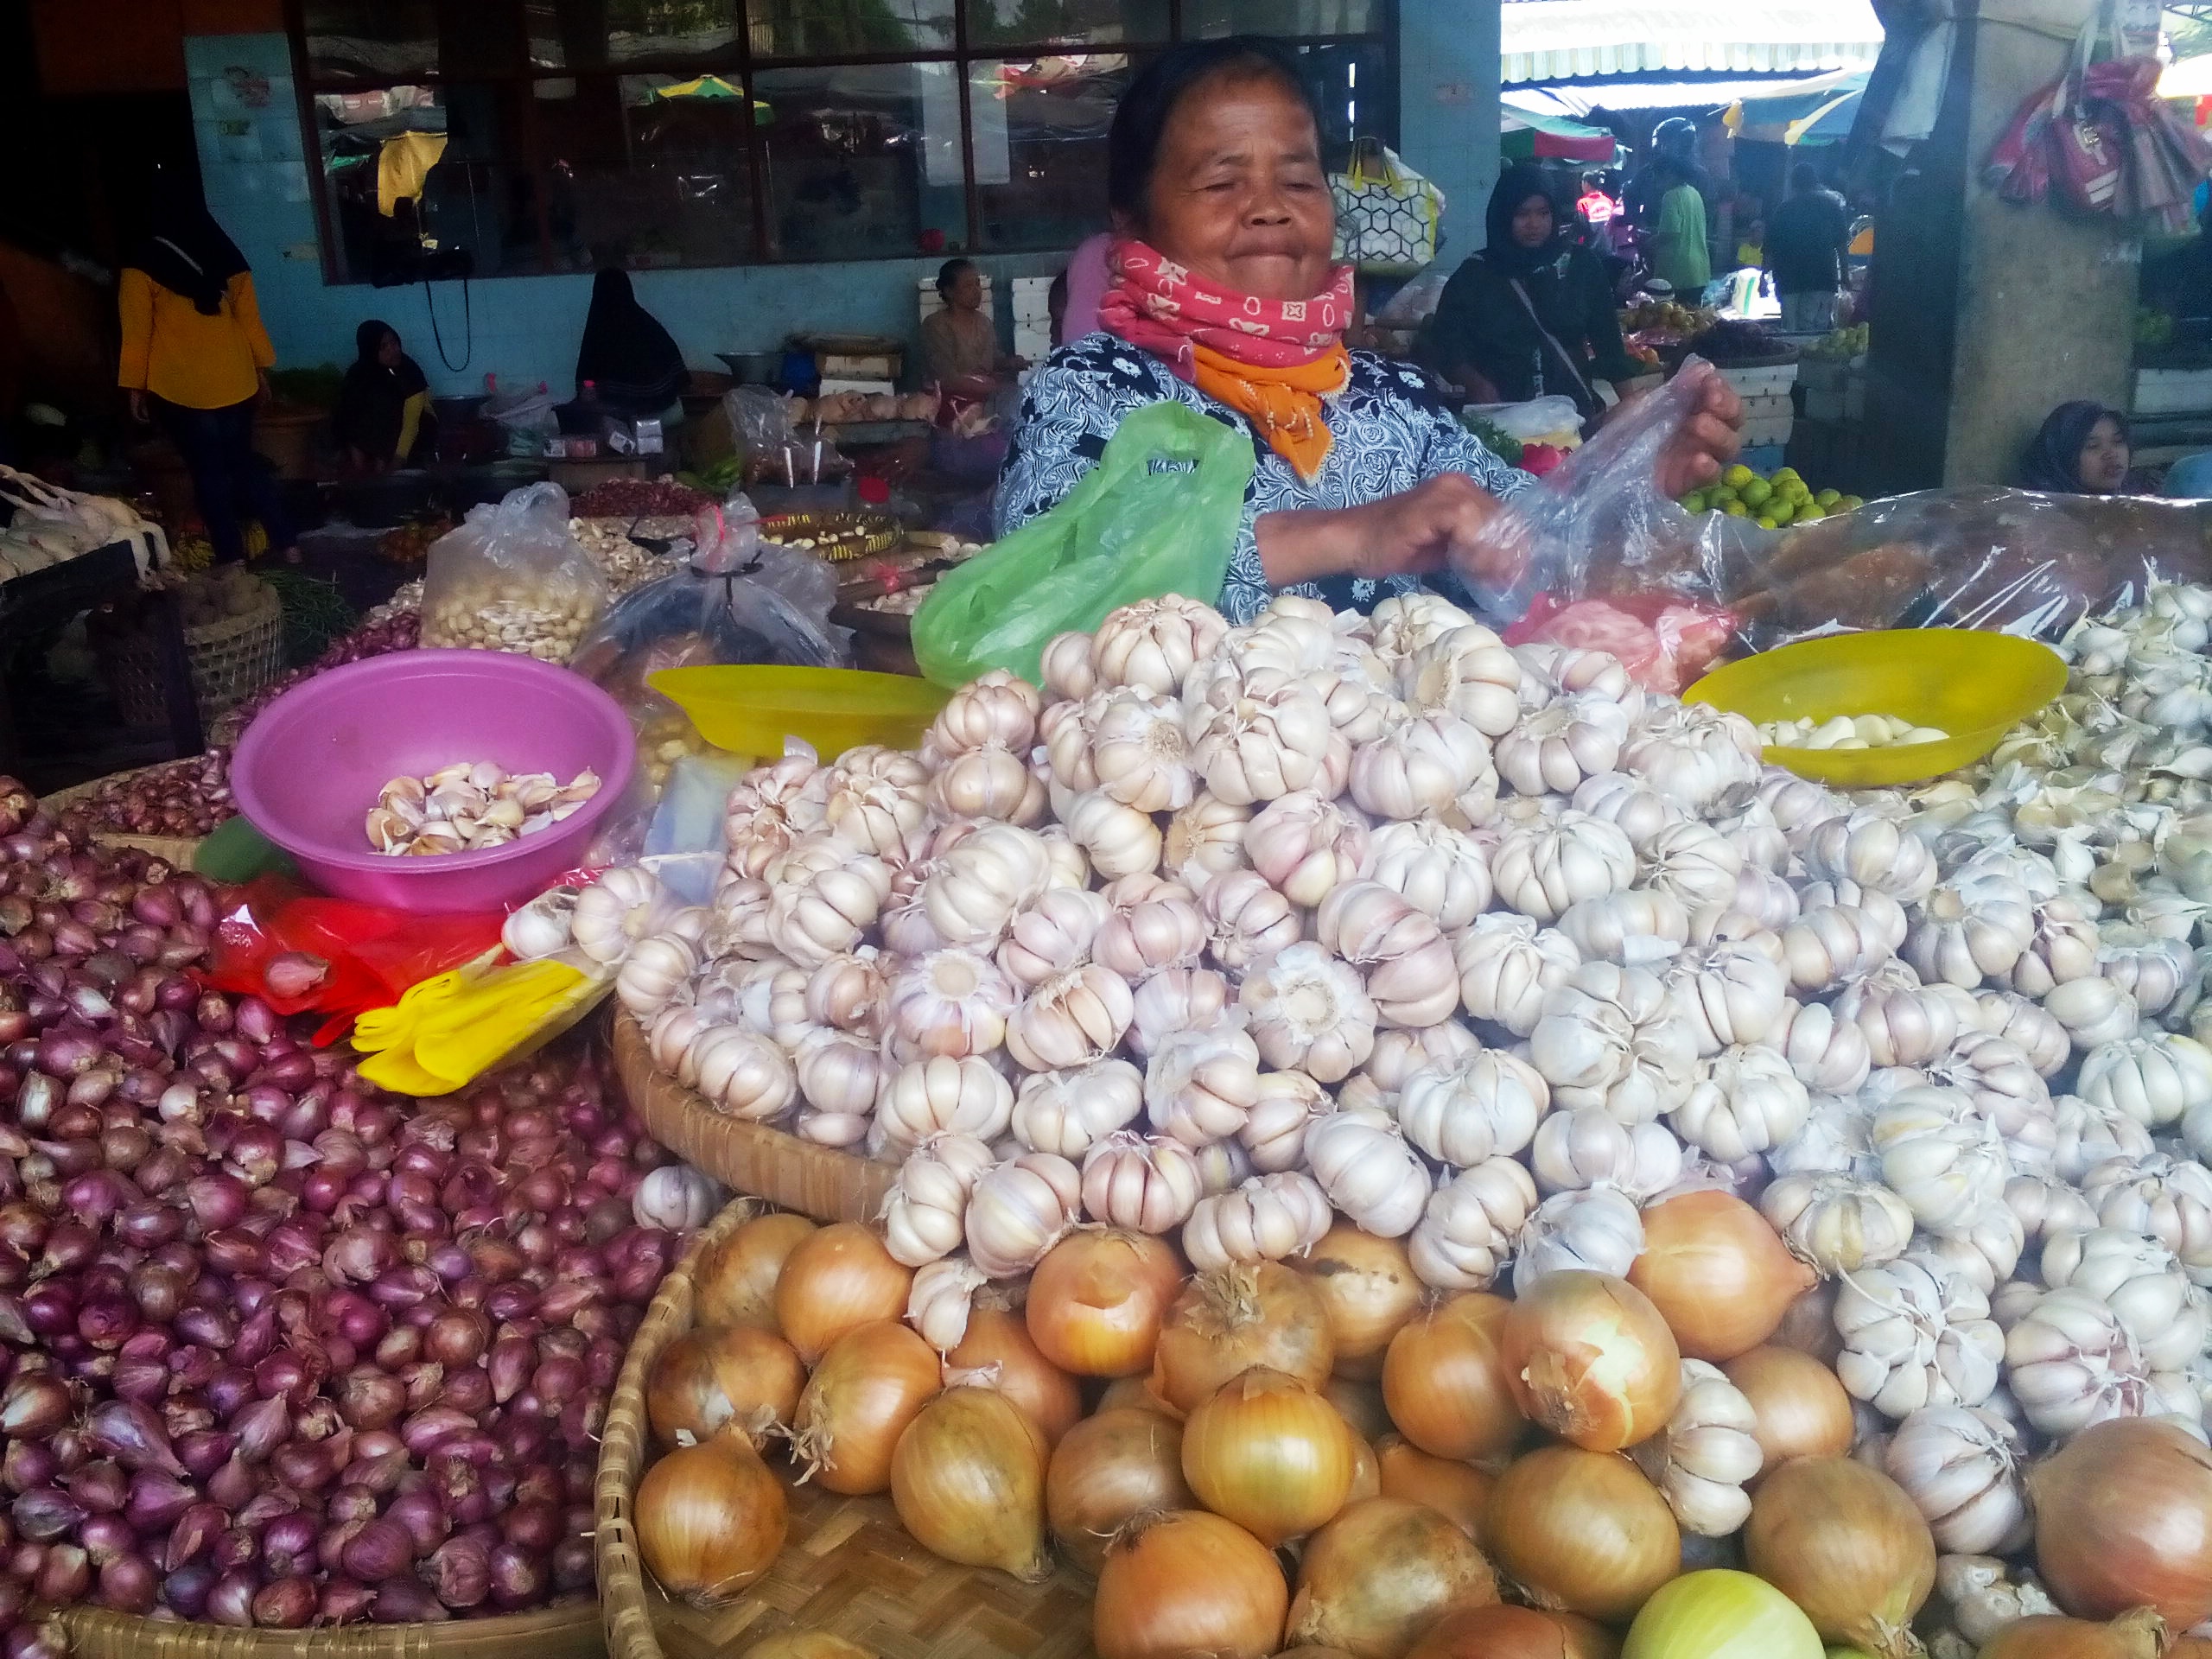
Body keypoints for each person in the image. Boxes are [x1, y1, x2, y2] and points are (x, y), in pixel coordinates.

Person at [995, 37, 1741, 624]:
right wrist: (1351, 533)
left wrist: (1631, 475)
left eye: (1297, 179)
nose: (1270, 208)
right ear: (1132, 218)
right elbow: (1036, 590)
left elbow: (1536, 550)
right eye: (1222, 182)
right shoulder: (1091, 394)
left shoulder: (1394, 404)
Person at [118, 190, 297, 565]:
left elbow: (137, 332)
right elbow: (250, 321)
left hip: (180, 387)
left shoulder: (141, 264)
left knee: (209, 473)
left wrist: (134, 386)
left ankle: (232, 558)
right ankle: (288, 544)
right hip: (235, 380)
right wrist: (262, 369)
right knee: (244, 464)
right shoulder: (226, 254)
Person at [1426, 165, 1644, 426]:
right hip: (1503, 422)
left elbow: (1608, 341)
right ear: (1503, 215)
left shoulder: (1581, 266)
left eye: (1543, 213)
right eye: (1522, 214)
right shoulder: (1476, 275)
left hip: (1574, 419)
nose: (1535, 225)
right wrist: (1475, 383)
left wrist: (1632, 410)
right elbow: (1443, 342)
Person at [574, 268, 683, 420]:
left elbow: (588, 372)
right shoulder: (648, 326)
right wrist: (589, 388)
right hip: (660, 414)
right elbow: (588, 378)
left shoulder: (599, 329)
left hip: (654, 415)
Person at [922, 258, 1027, 409]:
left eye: (977, 283)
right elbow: (946, 378)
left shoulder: (984, 322)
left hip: (985, 399)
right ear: (949, 291)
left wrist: (1010, 363)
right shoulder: (936, 325)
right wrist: (995, 389)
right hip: (950, 404)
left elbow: (993, 360)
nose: (977, 290)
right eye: (968, 286)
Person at [333, 320, 434, 473]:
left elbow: (411, 423)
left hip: (416, 430)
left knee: (388, 410)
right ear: (370, 350)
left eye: (394, 343)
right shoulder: (359, 374)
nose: (393, 350)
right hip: (375, 438)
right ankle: (360, 473)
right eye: (383, 347)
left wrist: (397, 460)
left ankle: (380, 472)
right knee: (355, 416)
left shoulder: (409, 372)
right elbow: (347, 414)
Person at [1765, 163, 1853, 334]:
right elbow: (1842, 245)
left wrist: (1763, 276)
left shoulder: (1784, 209)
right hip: (1822, 279)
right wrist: (1845, 275)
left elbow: (1770, 247)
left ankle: (1793, 359)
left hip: (1789, 281)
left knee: (1790, 331)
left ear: (1793, 184)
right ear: (1815, 181)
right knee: (1816, 333)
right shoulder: (1832, 206)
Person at [2024, 402, 2155, 495]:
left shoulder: (2144, 494)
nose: (2111, 454)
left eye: (2118, 441)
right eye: (2093, 446)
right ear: (2062, 457)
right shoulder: (2043, 518)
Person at [1649, 156, 1711, 298]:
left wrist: (1650, 242)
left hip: (1678, 272)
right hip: (1699, 270)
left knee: (1672, 318)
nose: (1656, 182)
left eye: (1657, 176)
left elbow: (1671, 233)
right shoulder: (1694, 193)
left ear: (1668, 174)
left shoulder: (1670, 196)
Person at [1577, 171, 1619, 253]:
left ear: (1586, 183)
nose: (1581, 185)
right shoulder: (1608, 201)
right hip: (1609, 250)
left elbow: (1581, 228)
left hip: (1591, 252)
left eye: (1582, 182)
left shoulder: (1583, 203)